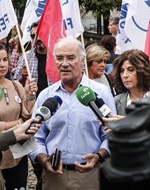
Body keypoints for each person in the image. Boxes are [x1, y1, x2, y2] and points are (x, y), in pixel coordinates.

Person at [29, 37, 116, 190]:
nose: (64, 63)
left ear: (82, 62)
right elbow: (35, 136)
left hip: (90, 176)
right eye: (59, 58)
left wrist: (98, 156)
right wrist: (43, 159)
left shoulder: (101, 93)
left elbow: (111, 134)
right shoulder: (45, 96)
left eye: (70, 58)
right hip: (53, 176)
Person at [0, 42, 37, 190]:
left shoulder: (16, 85)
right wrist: (16, 124)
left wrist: (30, 97)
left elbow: (26, 115)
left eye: (5, 59)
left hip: (18, 154)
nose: (2, 64)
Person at [112, 49, 150, 115]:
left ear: (143, 71)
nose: (125, 75)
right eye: (121, 71)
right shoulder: (115, 102)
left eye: (131, 70)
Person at [14, 22, 50, 97]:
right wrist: (23, 78)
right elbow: (15, 86)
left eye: (42, 34)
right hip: (32, 103)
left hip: (53, 102)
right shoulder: (25, 57)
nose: (38, 38)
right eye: (34, 36)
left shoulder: (57, 56)